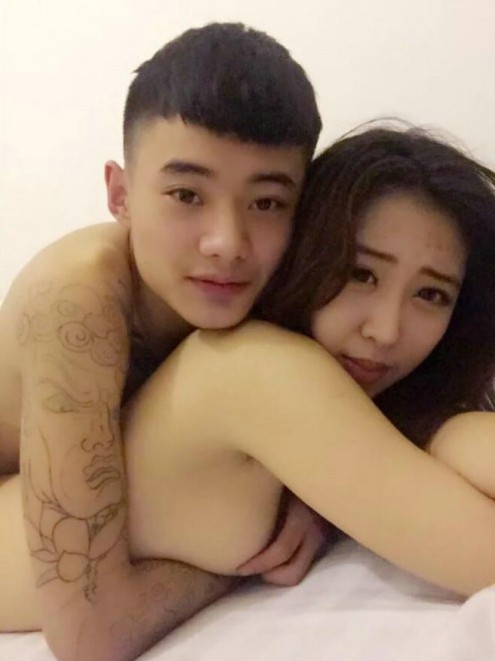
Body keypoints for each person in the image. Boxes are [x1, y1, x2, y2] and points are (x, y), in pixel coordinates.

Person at [3, 125, 495, 638]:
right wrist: (227, 575)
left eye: (431, 295)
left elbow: (449, 439)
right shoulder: (250, 368)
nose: (386, 330)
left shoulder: (308, 388)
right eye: (360, 274)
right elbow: (90, 634)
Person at [0, 22, 323, 661]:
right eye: (186, 195)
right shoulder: (76, 296)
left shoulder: (283, 283)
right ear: (120, 195)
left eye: (266, 203)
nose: (227, 242)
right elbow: (88, 636)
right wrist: (235, 569)